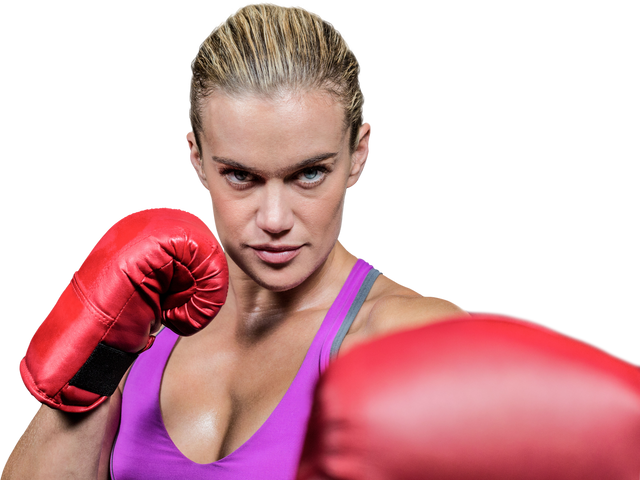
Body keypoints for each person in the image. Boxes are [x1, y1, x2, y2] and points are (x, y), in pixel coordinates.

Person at [2, 2, 468, 479]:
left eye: (309, 174)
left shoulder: (409, 336)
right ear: (196, 159)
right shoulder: (151, 321)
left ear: (359, 154)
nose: (274, 219)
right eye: (241, 176)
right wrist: (103, 348)